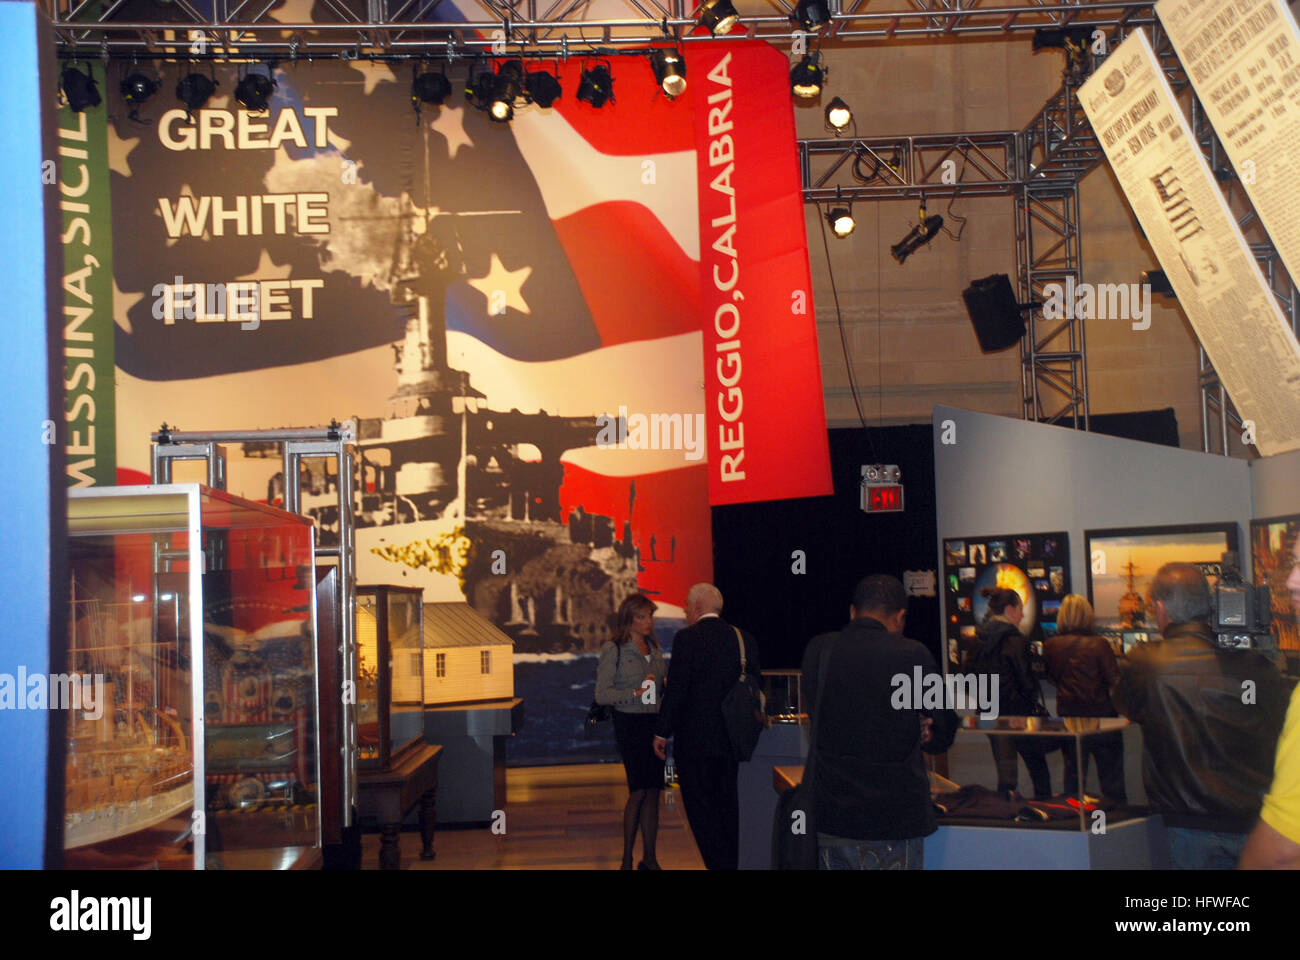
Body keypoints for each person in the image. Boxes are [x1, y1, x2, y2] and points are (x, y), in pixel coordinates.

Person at [1114, 562, 1287, 869]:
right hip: (1253, 822)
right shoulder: (1255, 667)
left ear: (1160, 608)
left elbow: (1126, 706)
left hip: (1185, 823)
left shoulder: (1145, 665)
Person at [801, 574, 958, 870]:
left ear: (852, 612)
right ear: (900, 617)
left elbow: (822, 716)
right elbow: (944, 729)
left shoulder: (819, 651)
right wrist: (925, 730)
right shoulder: (912, 654)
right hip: (895, 818)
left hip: (834, 817)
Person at [653, 583, 761, 870]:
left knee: (702, 813)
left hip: (696, 743)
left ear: (698, 606)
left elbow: (677, 691)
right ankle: (729, 864)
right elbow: (755, 687)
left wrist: (662, 731)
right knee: (728, 808)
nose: (685, 610)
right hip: (733, 740)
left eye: (687, 605)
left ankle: (716, 865)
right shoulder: (743, 638)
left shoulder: (687, 640)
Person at [594, 593, 667, 870]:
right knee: (637, 790)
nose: (648, 621)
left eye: (650, 616)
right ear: (629, 619)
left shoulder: (655, 647)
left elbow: (661, 686)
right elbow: (602, 694)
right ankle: (626, 857)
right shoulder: (615, 648)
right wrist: (634, 694)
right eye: (641, 616)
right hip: (630, 724)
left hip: (655, 725)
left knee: (653, 791)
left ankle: (650, 858)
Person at [1043, 594, 1126, 802]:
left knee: (1073, 780)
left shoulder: (1051, 645)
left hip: (1069, 719)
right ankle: (1113, 824)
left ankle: (1073, 823)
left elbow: (1052, 678)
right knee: (1111, 781)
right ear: (1088, 615)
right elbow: (1114, 679)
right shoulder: (1099, 644)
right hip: (1102, 720)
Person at [972, 586, 1052, 798]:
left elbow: (969, 678)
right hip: (1018, 715)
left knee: (1006, 776)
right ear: (1009, 610)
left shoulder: (979, 640)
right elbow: (1025, 681)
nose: (1022, 614)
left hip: (990, 716)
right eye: (1019, 609)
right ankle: (1045, 816)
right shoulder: (1016, 641)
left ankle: (1007, 817)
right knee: (1039, 771)